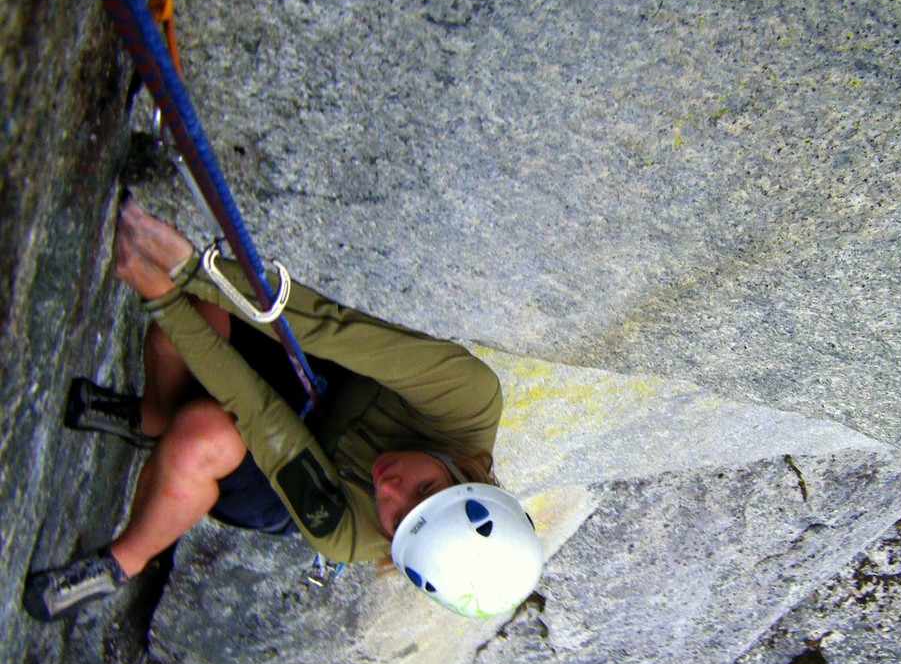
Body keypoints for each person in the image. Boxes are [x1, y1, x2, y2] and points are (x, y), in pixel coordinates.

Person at [23, 197, 542, 623]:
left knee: (203, 436)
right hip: (324, 376)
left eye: (397, 519)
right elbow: (338, 330)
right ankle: (150, 419)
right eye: (424, 488)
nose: (388, 488)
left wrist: (161, 298)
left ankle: (121, 563)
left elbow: (261, 416)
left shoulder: (347, 535)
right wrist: (193, 271)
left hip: (286, 471)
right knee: (199, 314)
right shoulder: (467, 397)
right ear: (463, 475)